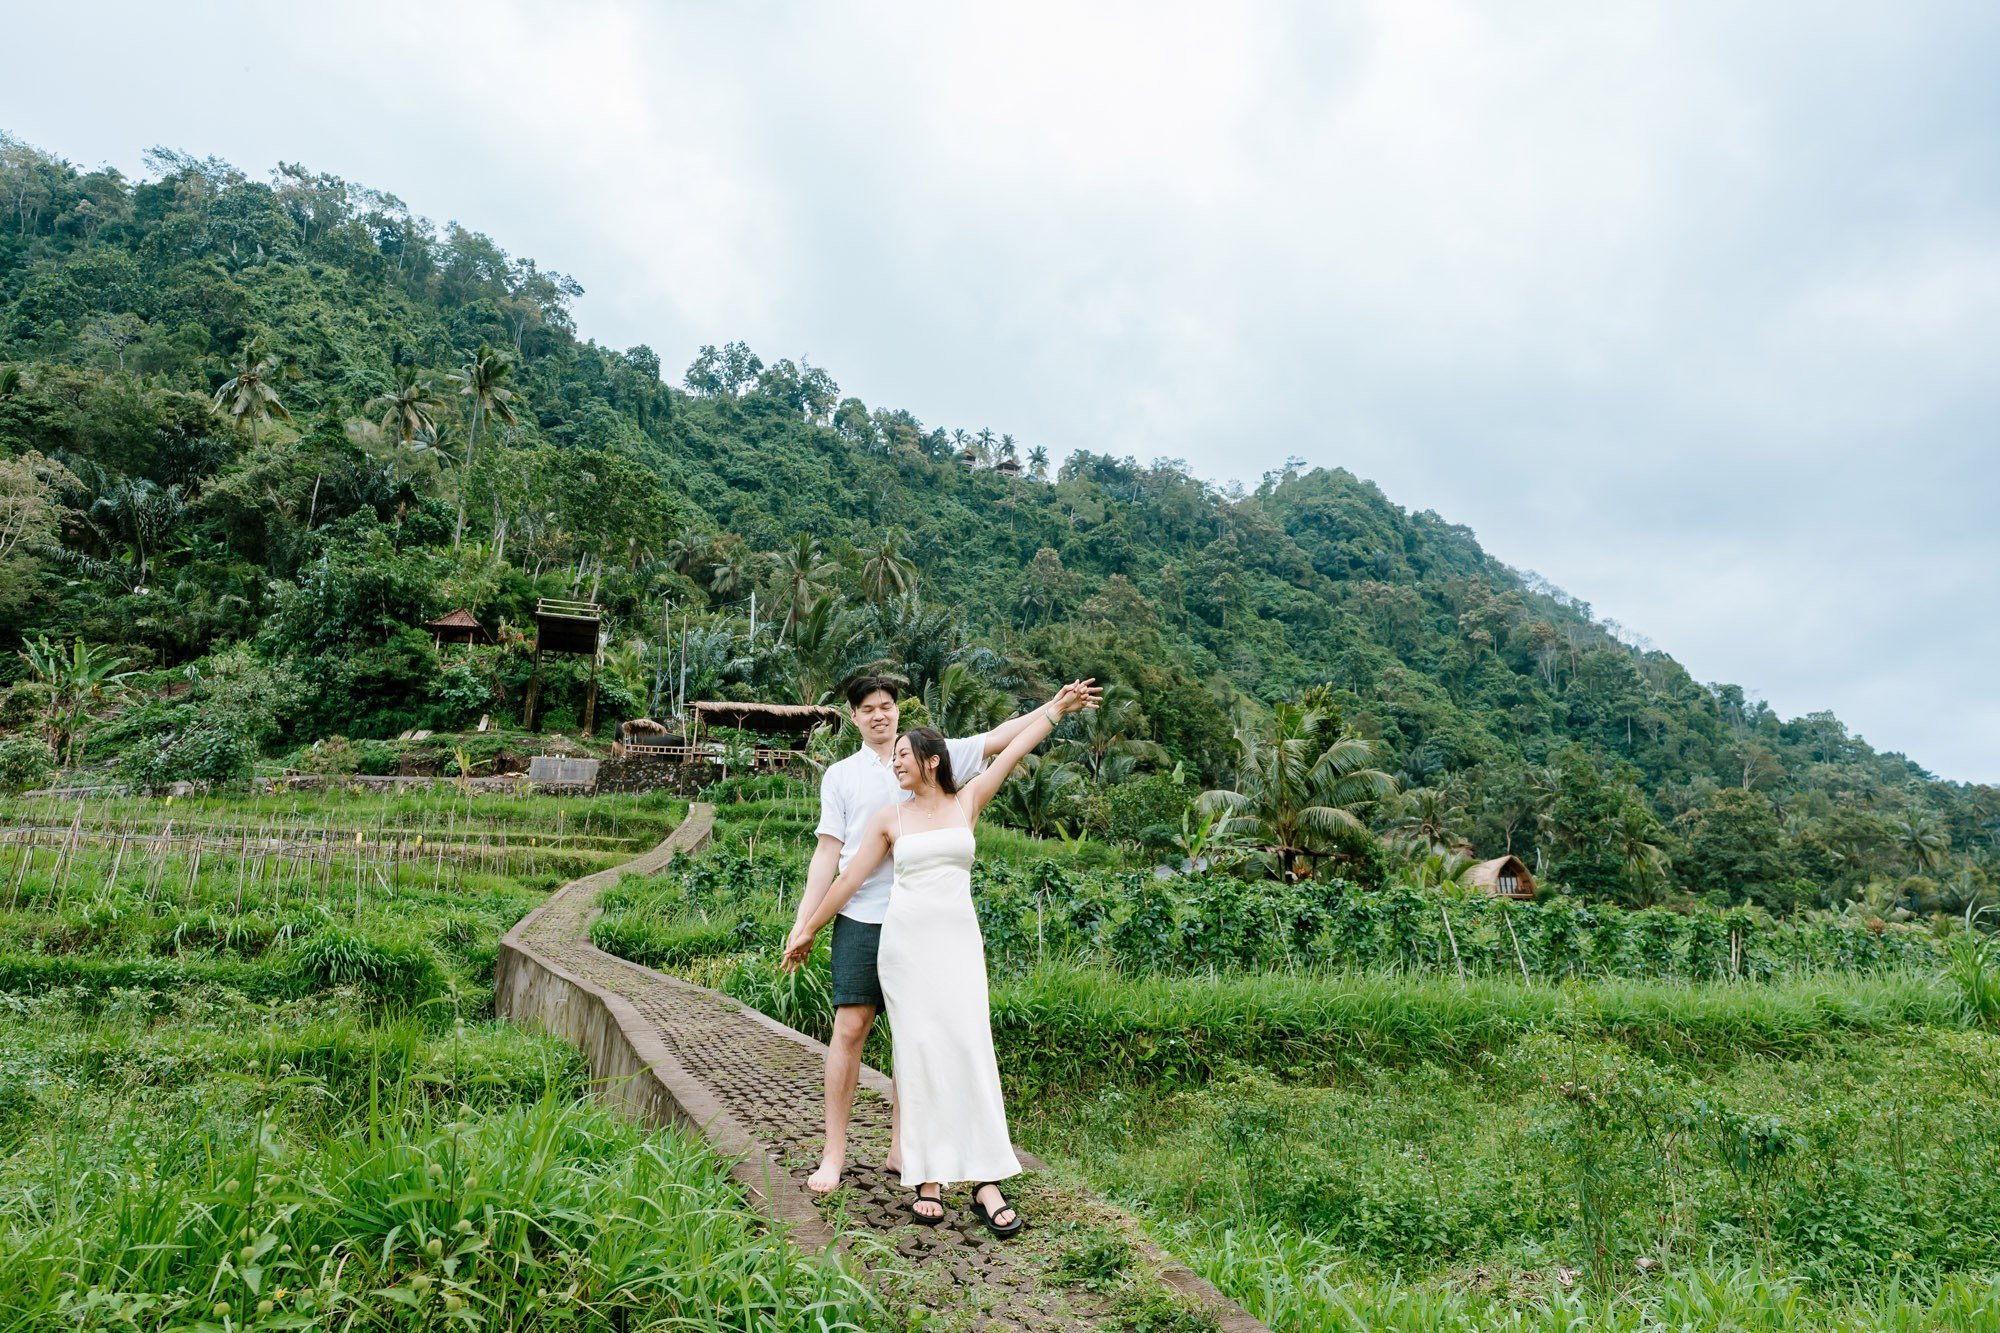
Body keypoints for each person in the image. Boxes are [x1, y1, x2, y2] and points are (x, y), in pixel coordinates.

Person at [784, 680, 1096, 1234]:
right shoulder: (876, 804)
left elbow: (1012, 745)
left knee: (966, 1044)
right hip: (891, 934)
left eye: (904, 744)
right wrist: (806, 926)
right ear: (855, 717)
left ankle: (976, 1172)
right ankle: (898, 1169)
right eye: (869, 711)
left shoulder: (965, 796)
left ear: (932, 759)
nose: (894, 750)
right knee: (902, 1043)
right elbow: (841, 870)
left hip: (954, 943)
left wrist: (1056, 709)